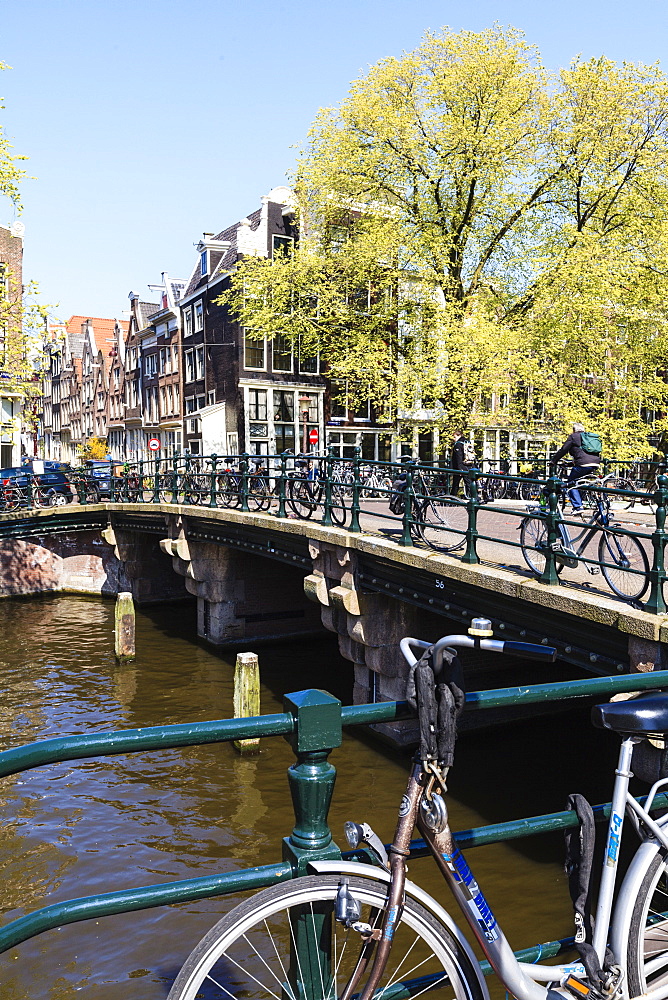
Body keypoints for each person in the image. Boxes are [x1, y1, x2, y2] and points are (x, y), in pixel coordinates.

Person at [551, 423, 601, 512]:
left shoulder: (574, 436)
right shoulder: (589, 438)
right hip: (595, 463)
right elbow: (584, 453)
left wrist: (554, 460)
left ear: (574, 430)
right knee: (580, 482)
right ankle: (583, 501)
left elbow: (563, 450)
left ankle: (578, 506)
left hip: (583, 464)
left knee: (570, 483)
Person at [450, 430, 467, 497]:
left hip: (459, 467)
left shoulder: (458, 445)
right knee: (469, 483)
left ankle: (453, 498)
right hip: (468, 466)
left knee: (455, 484)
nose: (453, 439)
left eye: (454, 437)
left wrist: (460, 468)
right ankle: (475, 498)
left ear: (459, 436)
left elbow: (458, 457)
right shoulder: (467, 442)